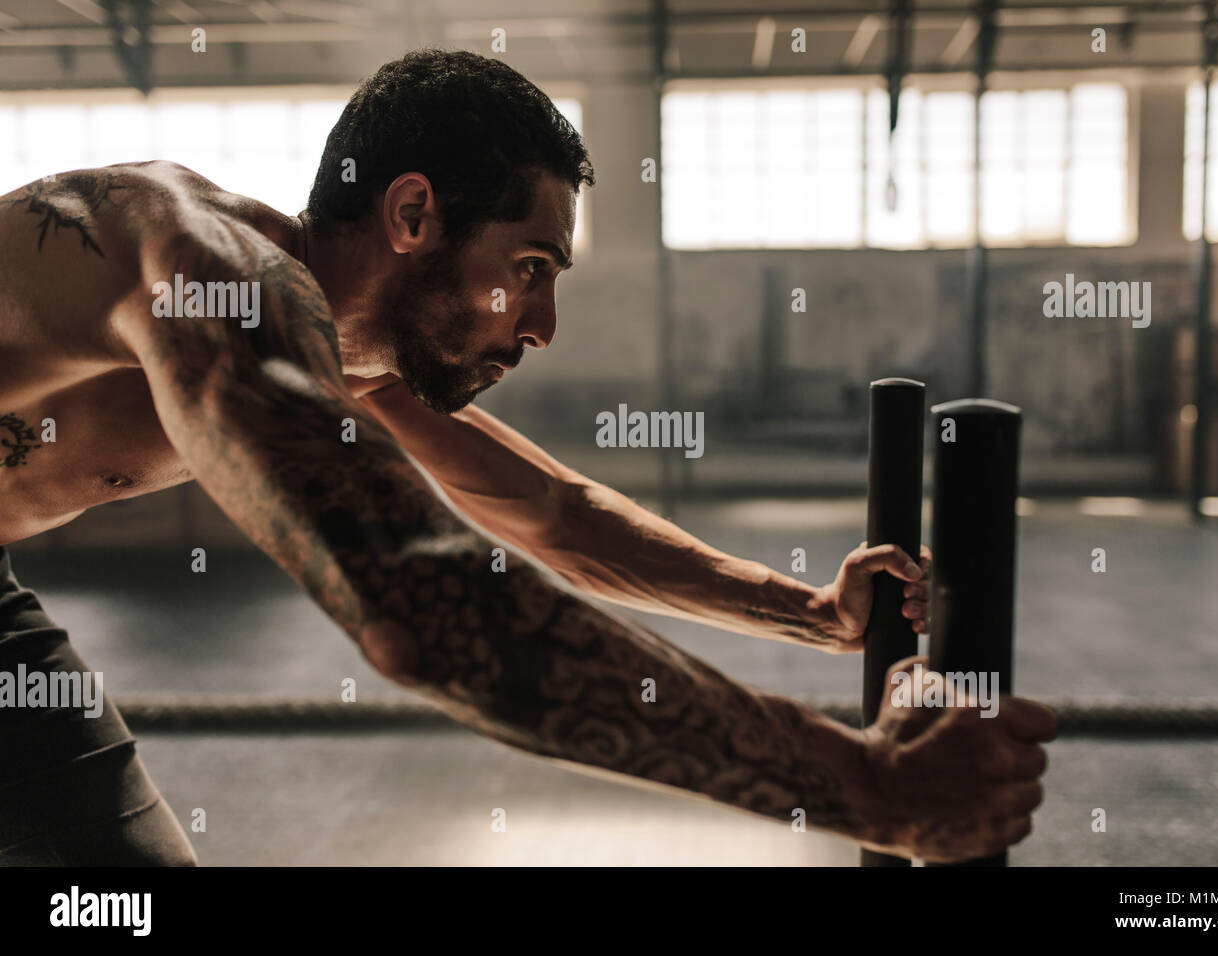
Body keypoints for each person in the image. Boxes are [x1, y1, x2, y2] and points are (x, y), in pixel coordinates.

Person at [0, 48, 1055, 865]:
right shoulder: (208, 273)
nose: (542, 321)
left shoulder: (339, 354)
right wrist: (874, 789)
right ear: (413, 212)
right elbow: (427, 611)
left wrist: (807, 612)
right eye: (530, 267)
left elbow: (554, 515)